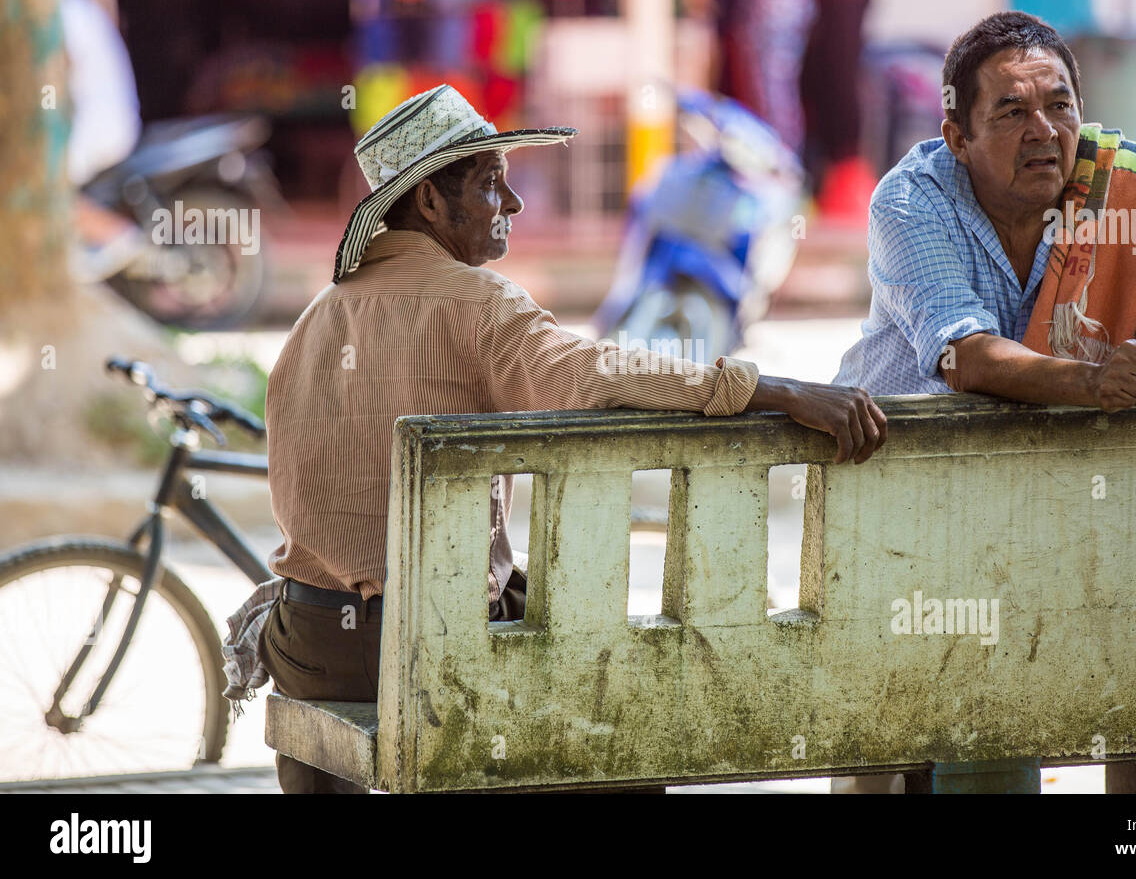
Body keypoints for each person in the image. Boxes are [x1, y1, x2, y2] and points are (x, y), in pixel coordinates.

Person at [255, 84, 887, 793]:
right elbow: (596, 372)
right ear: (431, 202)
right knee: (623, 734)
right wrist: (777, 390)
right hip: (427, 645)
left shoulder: (319, 314)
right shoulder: (477, 304)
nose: (514, 206)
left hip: (307, 641)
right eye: (492, 184)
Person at [834, 12, 1136, 794]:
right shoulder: (909, 203)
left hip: (1063, 513)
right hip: (911, 511)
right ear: (957, 133)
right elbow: (967, 355)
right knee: (964, 734)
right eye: (1011, 111)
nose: (1044, 130)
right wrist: (1089, 381)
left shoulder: (1121, 188)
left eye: (1060, 105)